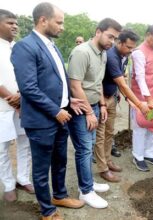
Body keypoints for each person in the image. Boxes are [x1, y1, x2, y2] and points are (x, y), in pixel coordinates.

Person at [11, 2, 85, 219]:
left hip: (61, 115)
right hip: (43, 119)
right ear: (43, 20)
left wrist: (69, 101)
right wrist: (55, 110)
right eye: (59, 22)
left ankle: (59, 195)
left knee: (60, 160)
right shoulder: (25, 46)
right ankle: (47, 210)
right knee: (42, 167)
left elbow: (55, 82)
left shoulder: (52, 45)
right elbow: (28, 88)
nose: (62, 27)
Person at [68, 18, 122, 208]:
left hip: (95, 106)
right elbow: (75, 86)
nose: (112, 42)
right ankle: (85, 191)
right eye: (110, 36)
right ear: (98, 32)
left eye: (115, 38)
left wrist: (102, 105)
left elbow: (97, 82)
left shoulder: (103, 53)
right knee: (83, 150)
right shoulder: (82, 52)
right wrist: (90, 112)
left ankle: (89, 183)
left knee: (89, 147)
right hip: (81, 109)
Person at [95, 29, 149, 182]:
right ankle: (103, 168)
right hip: (102, 100)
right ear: (119, 42)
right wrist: (139, 104)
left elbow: (120, 83)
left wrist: (127, 98)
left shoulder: (122, 55)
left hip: (111, 97)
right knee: (101, 135)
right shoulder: (111, 56)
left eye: (133, 48)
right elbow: (122, 84)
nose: (131, 51)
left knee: (109, 132)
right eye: (129, 47)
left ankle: (107, 160)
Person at [0, 9, 34, 203]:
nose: (14, 26)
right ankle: (8, 184)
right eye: (9, 22)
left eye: (16, 23)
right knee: (2, 148)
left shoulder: (19, 47)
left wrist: (21, 96)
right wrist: (11, 99)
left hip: (23, 104)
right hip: (3, 108)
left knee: (24, 143)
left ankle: (23, 178)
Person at [131, 25, 153, 172]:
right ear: (148, 35)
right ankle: (138, 156)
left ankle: (149, 153)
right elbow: (140, 77)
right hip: (141, 97)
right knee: (140, 126)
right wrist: (148, 98)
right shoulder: (138, 52)